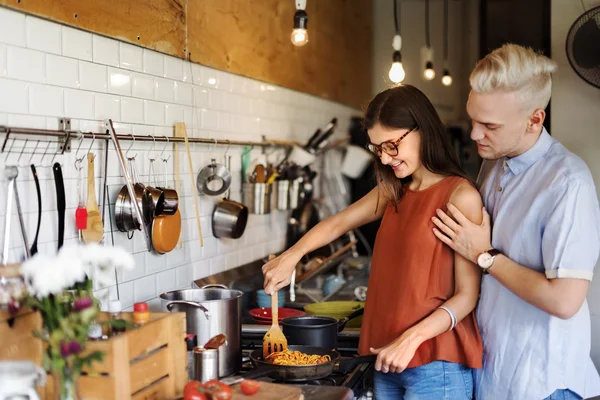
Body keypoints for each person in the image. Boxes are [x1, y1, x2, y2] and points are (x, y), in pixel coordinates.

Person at [263, 84, 484, 399]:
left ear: (422, 130)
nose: (385, 157)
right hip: (385, 359)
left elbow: (467, 296)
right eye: (377, 148)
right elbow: (338, 222)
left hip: (435, 366)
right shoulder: (394, 191)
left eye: (392, 145)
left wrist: (410, 339)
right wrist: (292, 255)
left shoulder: (460, 196)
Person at [432, 43, 600, 400]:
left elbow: (565, 301)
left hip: (543, 384)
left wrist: (485, 255)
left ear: (534, 120)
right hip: (496, 374)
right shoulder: (494, 161)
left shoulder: (568, 183)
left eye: (489, 125)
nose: (475, 134)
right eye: (472, 119)